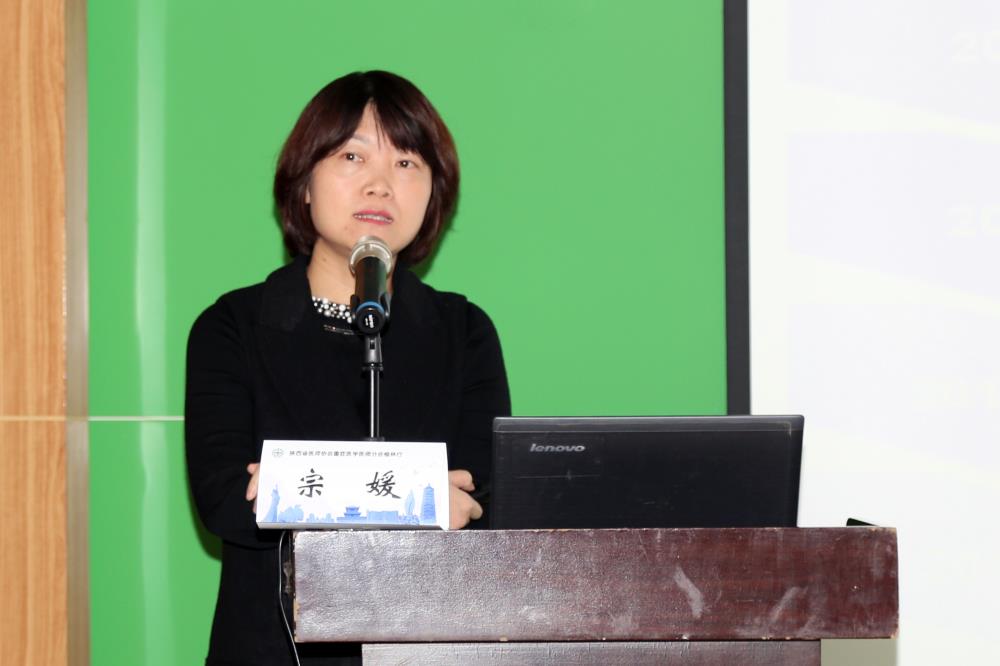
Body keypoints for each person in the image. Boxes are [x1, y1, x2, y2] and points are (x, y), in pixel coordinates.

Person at [185, 70, 511, 665]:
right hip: (271, 648)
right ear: (304, 183)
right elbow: (227, 500)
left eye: (406, 163)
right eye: (352, 157)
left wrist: (287, 486)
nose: (380, 185)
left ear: (433, 194)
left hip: (426, 645)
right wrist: (419, 496)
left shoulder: (463, 332)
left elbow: (479, 499)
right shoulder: (233, 326)